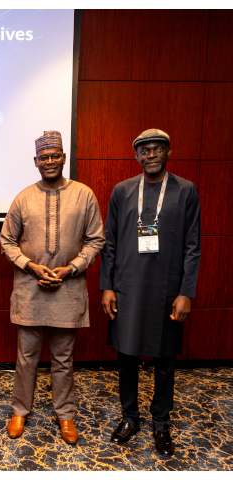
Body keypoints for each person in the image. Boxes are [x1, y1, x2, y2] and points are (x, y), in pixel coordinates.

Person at [100, 129, 201, 457]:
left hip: (167, 291)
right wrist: (107, 286)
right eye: (145, 150)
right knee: (126, 358)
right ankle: (130, 417)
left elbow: (192, 246)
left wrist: (186, 292)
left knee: (165, 360)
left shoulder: (185, 190)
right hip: (127, 288)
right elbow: (110, 243)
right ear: (136, 156)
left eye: (158, 149)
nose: (152, 154)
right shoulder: (123, 190)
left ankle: (161, 422)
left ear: (169, 152)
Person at [0, 131, 105, 444]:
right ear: (35, 161)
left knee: (63, 359)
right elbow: (7, 240)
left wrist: (71, 268)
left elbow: (96, 239)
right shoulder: (23, 198)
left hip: (67, 291)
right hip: (29, 291)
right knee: (26, 357)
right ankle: (20, 411)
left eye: (54, 156)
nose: (49, 161)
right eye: (43, 157)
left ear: (63, 158)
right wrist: (30, 266)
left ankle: (65, 414)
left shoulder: (84, 195)